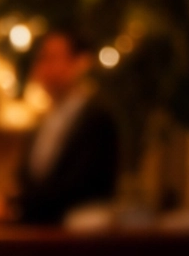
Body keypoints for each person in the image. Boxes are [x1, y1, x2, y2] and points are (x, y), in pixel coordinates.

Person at [14, 27, 119, 224]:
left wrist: (15, 205)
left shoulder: (96, 119)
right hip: (40, 231)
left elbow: (80, 185)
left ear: (81, 63)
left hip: (80, 238)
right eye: (41, 59)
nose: (43, 68)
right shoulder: (43, 122)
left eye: (52, 58)